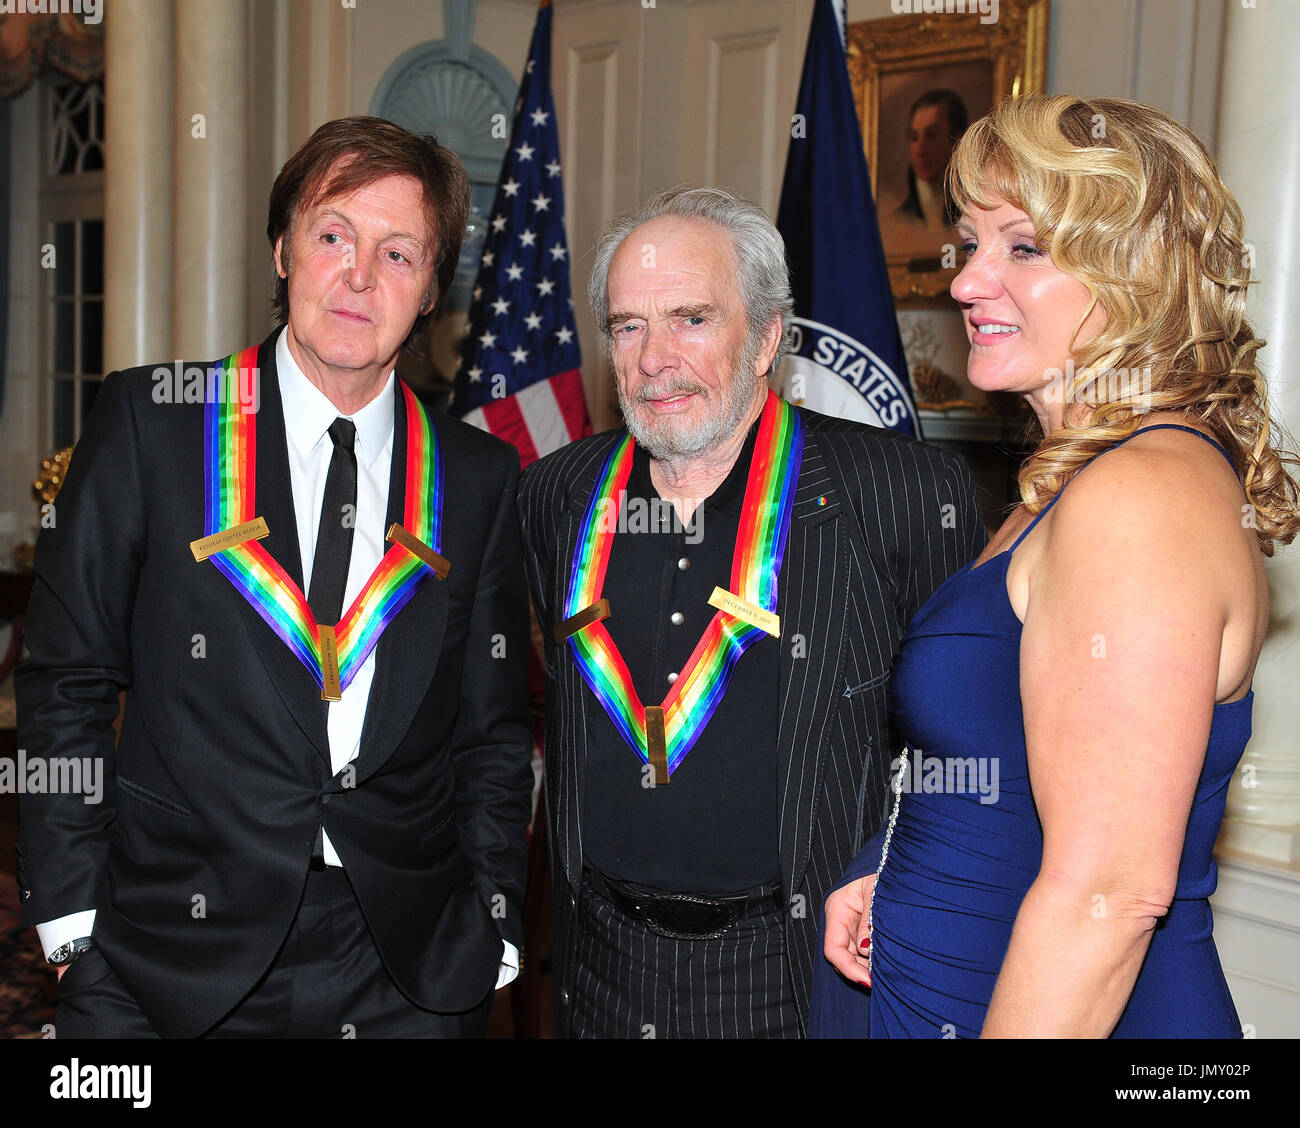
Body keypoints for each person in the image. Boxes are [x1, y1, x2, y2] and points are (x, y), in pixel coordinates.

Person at [15, 116, 535, 1037]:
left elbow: (491, 734)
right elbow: (69, 680)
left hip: (403, 965)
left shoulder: (481, 480)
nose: (360, 275)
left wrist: (493, 915)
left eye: (399, 253)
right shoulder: (153, 425)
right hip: (163, 946)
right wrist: (69, 916)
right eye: (333, 233)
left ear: (429, 297)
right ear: (283, 250)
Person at [815, 94, 1300, 1038]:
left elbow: (1110, 897)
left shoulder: (1140, 498)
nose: (966, 282)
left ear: (1137, 276)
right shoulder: (1069, 483)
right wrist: (900, 858)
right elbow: (1005, 759)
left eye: (1024, 248)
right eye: (971, 242)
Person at [517, 185, 983, 1037]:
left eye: (691, 318)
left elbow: (970, 741)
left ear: (766, 334)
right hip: (601, 962)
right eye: (628, 325)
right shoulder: (557, 495)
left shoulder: (903, 494)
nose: (654, 358)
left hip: (800, 964)